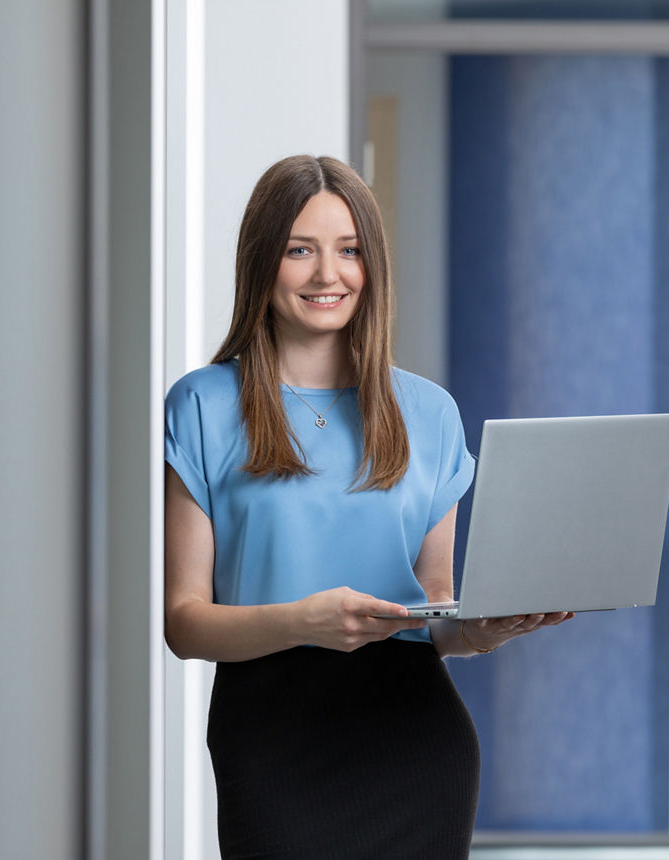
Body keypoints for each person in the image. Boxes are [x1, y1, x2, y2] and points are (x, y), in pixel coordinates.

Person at [163, 154, 571, 859]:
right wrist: (303, 621)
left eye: (349, 251)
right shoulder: (202, 405)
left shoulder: (429, 412)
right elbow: (184, 624)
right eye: (301, 250)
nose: (329, 275)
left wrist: (484, 630)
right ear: (263, 262)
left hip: (415, 742)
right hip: (272, 743)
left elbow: (435, 610)